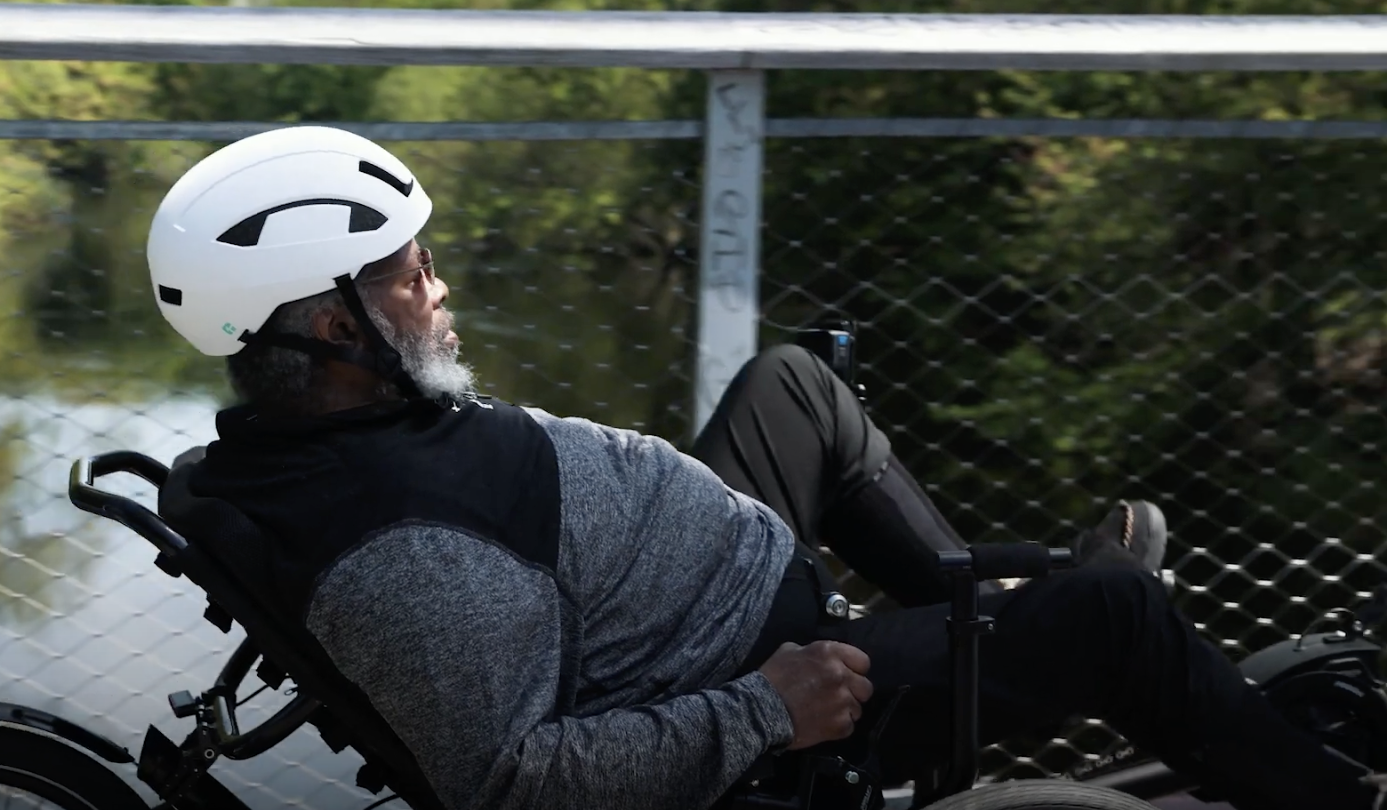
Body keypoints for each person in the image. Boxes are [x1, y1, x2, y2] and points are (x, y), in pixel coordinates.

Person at [145, 126, 1383, 810]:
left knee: (797, 387)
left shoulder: (315, 437)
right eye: (415, 271)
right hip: (778, 705)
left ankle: (986, 597)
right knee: (1119, 611)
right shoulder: (408, 561)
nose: (442, 285)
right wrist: (768, 711)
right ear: (328, 323)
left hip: (703, 590)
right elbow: (513, 784)